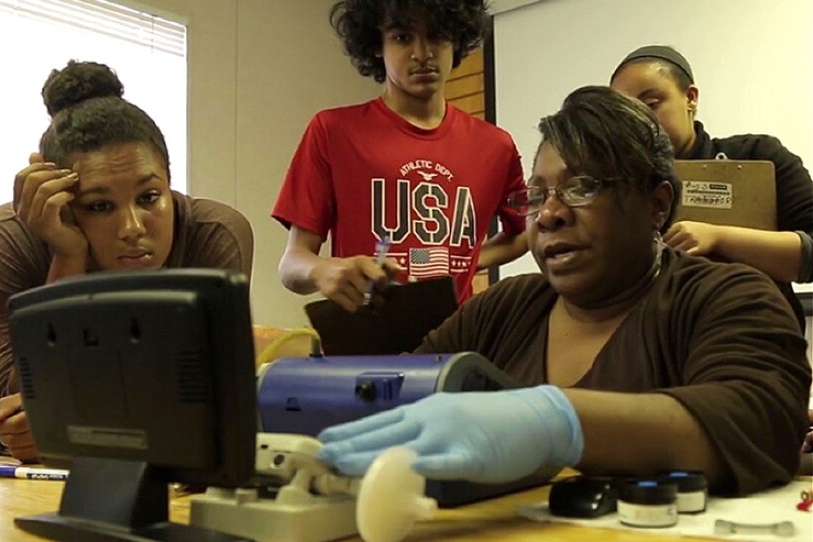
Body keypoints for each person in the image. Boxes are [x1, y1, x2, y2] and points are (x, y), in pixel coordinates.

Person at [317, 86, 811, 496]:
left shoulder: (730, 296)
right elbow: (398, 397)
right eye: (537, 195)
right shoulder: (504, 309)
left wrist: (555, 422)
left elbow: (759, 422)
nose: (549, 214)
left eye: (582, 187)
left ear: (657, 205)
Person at [0, 60, 254, 461]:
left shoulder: (214, 233)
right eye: (100, 205)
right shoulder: (10, 239)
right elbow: (24, 397)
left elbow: (217, 397)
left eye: (149, 197)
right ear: (67, 206)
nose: (132, 227)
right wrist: (68, 254)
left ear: (169, 182)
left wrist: (79, 425)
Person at [272, 0, 527, 312]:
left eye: (436, 35)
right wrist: (323, 270)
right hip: (362, 348)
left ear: (457, 38)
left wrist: (463, 261)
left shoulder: (496, 147)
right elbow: (291, 264)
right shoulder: (333, 131)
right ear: (377, 44)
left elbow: (525, 234)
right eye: (403, 38)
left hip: (454, 346)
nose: (422, 54)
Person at [610, 45, 813, 331]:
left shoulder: (757, 156)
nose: (640, 123)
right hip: (655, 351)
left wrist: (719, 238)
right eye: (625, 116)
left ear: (690, 98)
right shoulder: (618, 188)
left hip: (759, 340)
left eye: (652, 104)